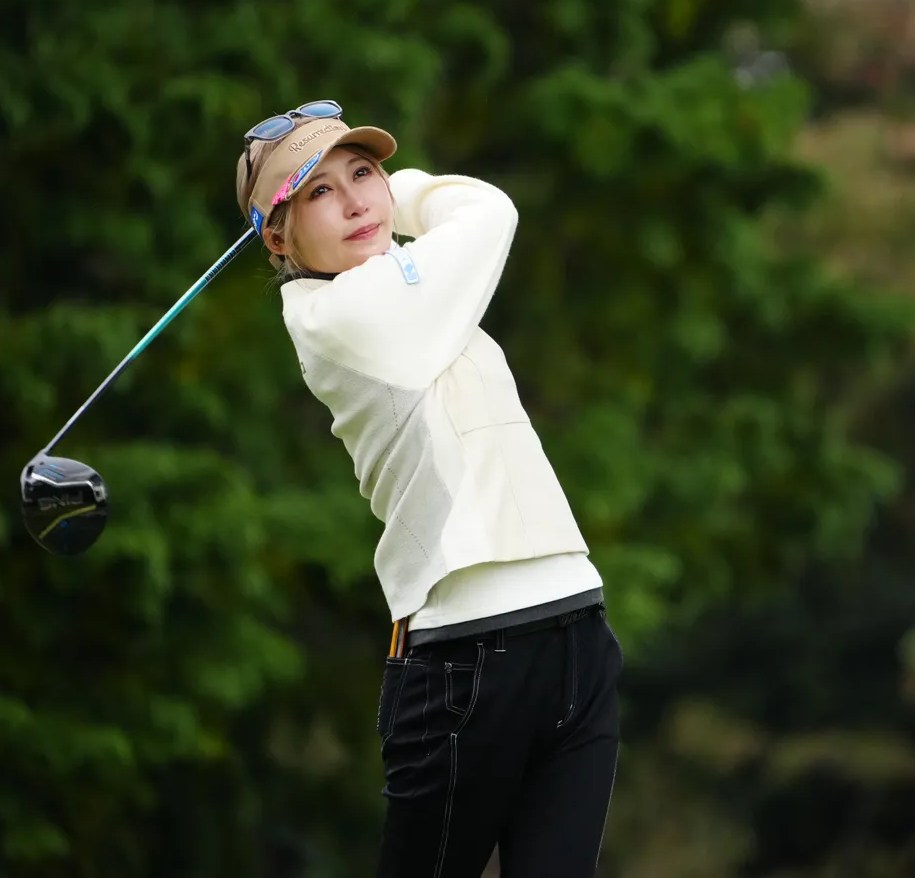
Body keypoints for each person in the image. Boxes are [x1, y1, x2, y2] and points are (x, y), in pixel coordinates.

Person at [233, 101, 623, 877]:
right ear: (277, 238)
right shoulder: (335, 317)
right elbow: (489, 209)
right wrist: (403, 194)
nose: (354, 201)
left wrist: (385, 196)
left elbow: (469, 226)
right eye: (318, 191)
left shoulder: (421, 290)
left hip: (576, 630)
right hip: (464, 661)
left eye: (364, 173)